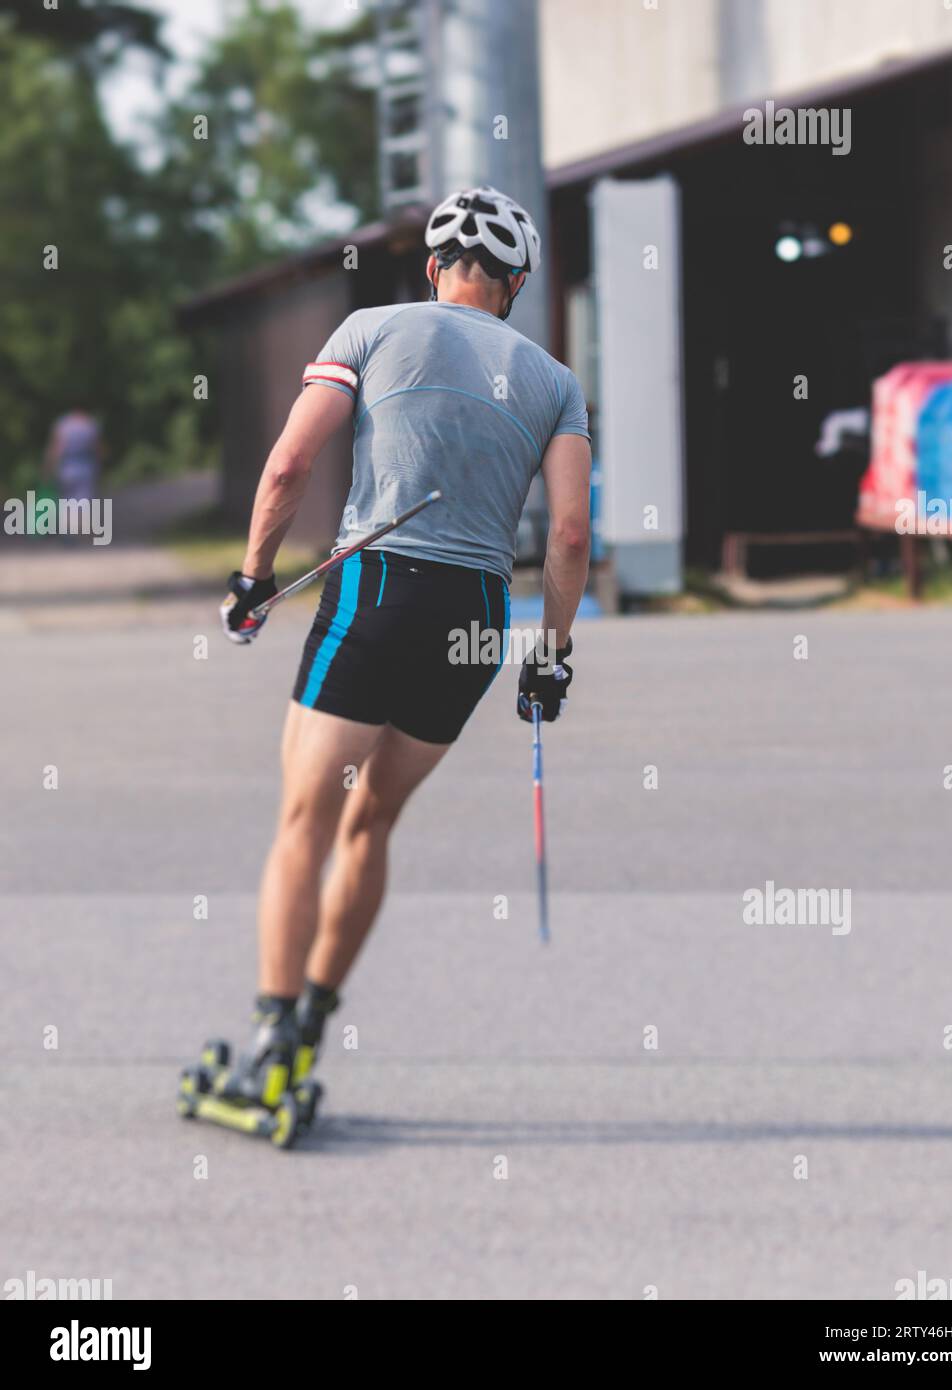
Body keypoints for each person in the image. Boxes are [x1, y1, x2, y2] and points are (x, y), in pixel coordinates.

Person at [210, 185, 592, 1118]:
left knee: (305, 819)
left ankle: (270, 1036)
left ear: (433, 269)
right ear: (515, 285)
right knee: (369, 823)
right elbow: (572, 536)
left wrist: (254, 576)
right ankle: (312, 1026)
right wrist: (552, 654)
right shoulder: (553, 381)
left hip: (375, 586)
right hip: (478, 615)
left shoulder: (371, 328)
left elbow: (290, 465)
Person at [45, 409, 102, 504]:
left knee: (67, 503)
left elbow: (56, 449)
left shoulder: (63, 424)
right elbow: (96, 448)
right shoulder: (89, 423)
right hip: (85, 469)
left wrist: (48, 468)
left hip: (66, 470)